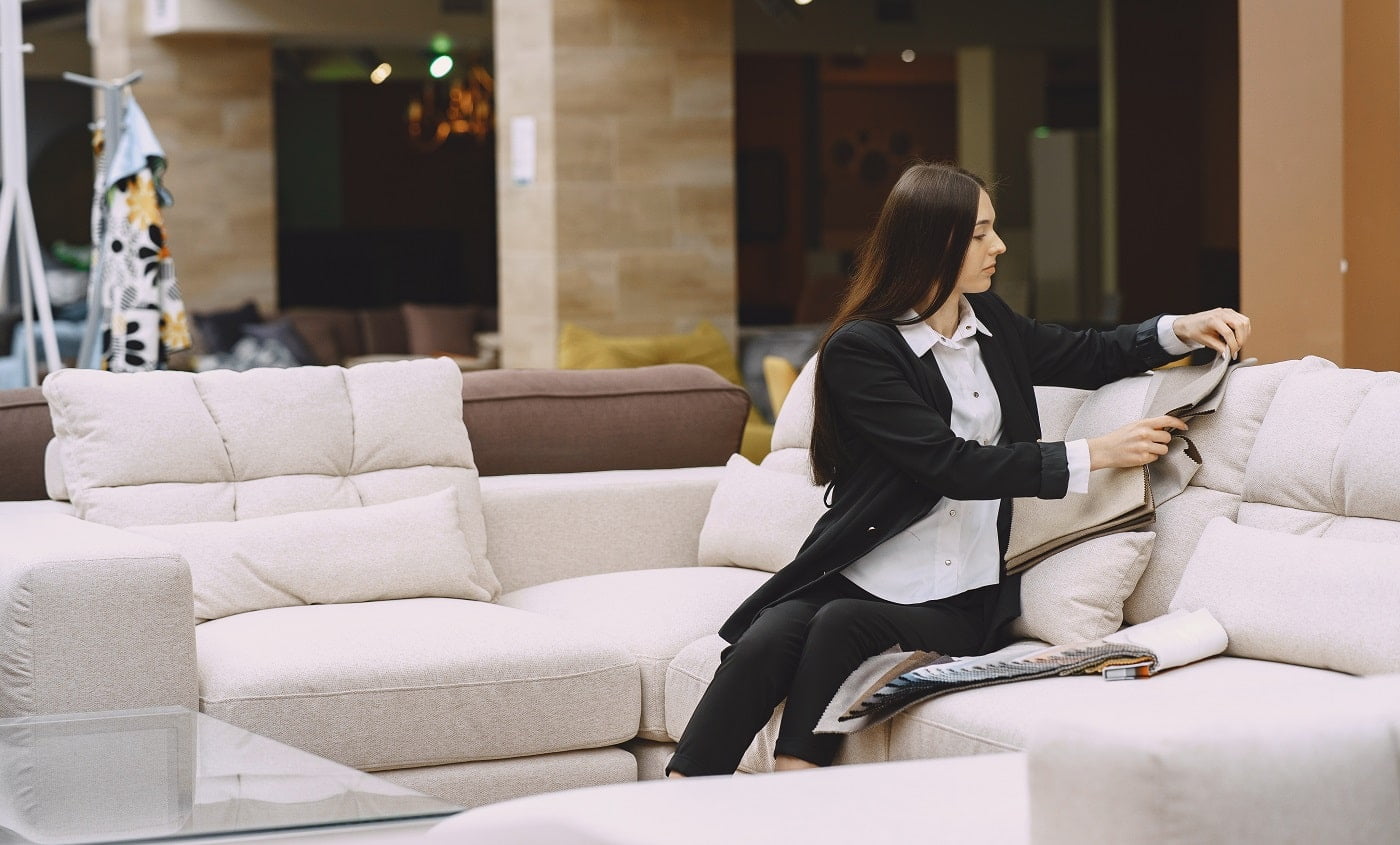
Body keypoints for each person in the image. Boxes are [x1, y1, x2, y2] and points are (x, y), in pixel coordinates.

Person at [666, 162, 1251, 778]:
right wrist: (1094, 453)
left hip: (960, 597)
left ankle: (796, 784)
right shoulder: (863, 351)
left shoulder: (990, 324)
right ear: (933, 242)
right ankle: (679, 795)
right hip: (863, 570)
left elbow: (1087, 352)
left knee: (840, 624)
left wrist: (1179, 330)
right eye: (980, 233)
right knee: (770, 633)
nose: (997, 246)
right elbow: (949, 465)